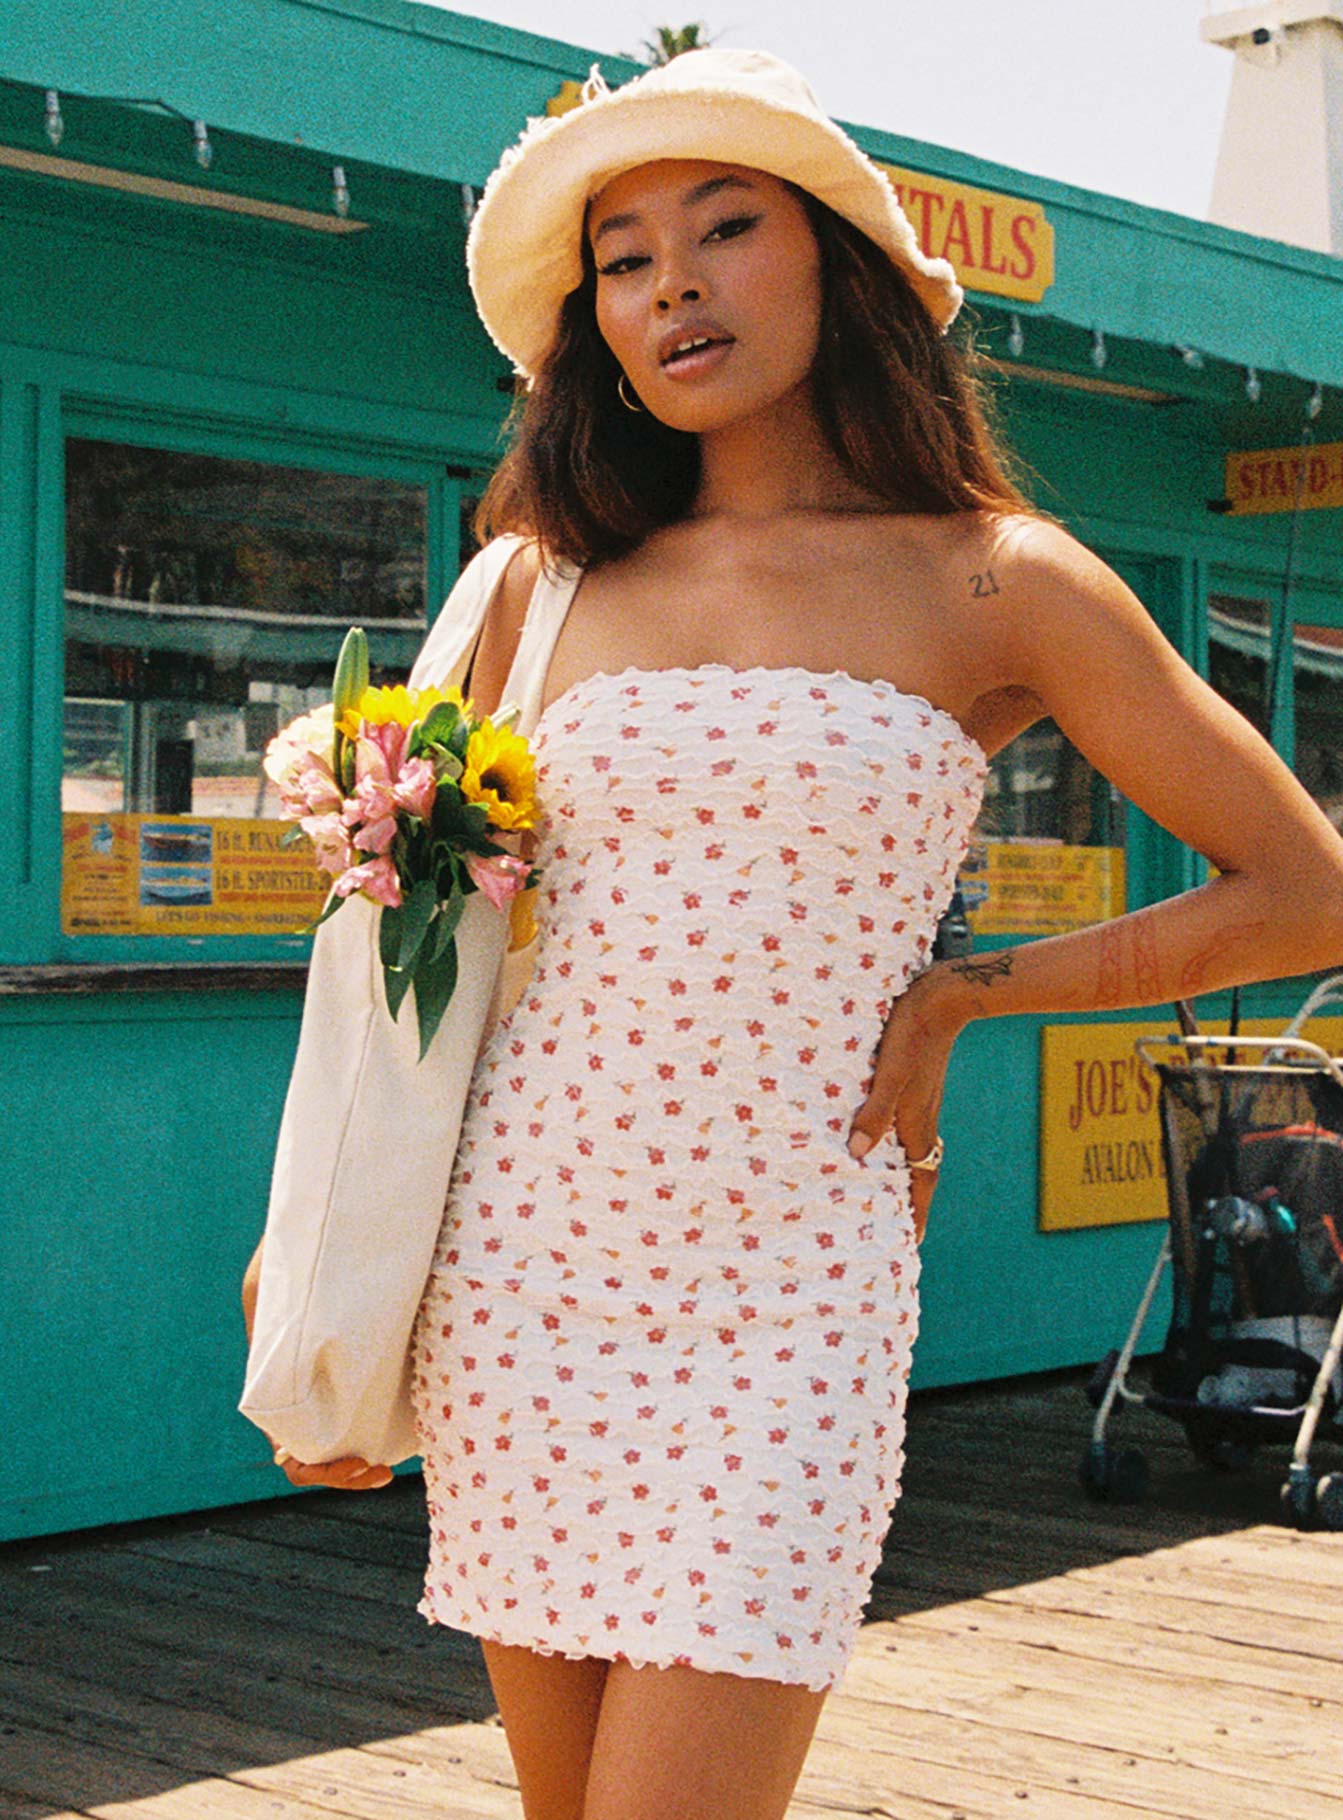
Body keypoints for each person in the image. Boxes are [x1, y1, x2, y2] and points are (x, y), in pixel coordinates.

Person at [243, 47, 1343, 1820]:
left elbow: (1303, 888)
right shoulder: (543, 576)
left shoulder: (1000, 577)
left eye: (728, 226)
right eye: (623, 258)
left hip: (787, 1289)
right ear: (589, 319)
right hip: (524, 1270)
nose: (673, 282)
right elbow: (395, 959)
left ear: (836, 256)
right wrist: (316, 1248)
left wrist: (962, 1001)